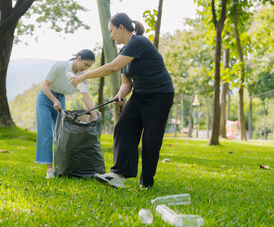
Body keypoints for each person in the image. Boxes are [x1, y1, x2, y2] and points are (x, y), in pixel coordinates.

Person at [70, 13, 174, 188]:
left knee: (150, 138)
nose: (111, 35)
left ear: (121, 28)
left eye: (112, 31)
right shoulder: (124, 51)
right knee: (123, 127)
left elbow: (113, 67)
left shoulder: (139, 42)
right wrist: (120, 94)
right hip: (140, 95)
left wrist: (84, 75)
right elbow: (126, 82)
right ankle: (119, 175)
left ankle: (146, 182)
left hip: (160, 95)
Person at [36, 49, 98, 179]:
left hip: (60, 99)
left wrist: (95, 116)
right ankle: (49, 170)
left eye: (89, 67)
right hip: (46, 98)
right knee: (46, 133)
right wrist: (54, 100)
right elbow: (45, 86)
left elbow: (86, 98)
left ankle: (62, 167)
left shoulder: (82, 77)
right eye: (86, 65)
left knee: (62, 134)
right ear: (78, 58)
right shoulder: (60, 66)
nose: (86, 69)